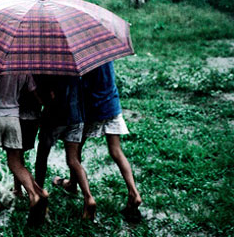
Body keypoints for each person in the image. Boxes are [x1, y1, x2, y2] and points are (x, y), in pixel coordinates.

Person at [54, 61, 143, 222]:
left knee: (75, 150)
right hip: (112, 105)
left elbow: (82, 85)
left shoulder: (84, 58)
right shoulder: (104, 53)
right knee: (116, 152)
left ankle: (75, 185)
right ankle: (134, 192)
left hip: (92, 109)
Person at [0, 67, 48, 226]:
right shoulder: (24, 67)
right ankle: (35, 194)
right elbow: (34, 93)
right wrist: (46, 105)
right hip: (13, 119)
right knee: (15, 162)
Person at [34, 75, 97, 220]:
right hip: (77, 116)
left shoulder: (47, 67)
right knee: (74, 160)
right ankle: (88, 197)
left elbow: (46, 96)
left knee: (42, 155)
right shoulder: (74, 67)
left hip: (54, 118)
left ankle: (38, 192)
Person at [12, 85, 41, 198]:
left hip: (17, 115)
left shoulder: (17, 69)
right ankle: (18, 188)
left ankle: (27, 190)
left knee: (15, 156)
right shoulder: (41, 70)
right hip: (34, 116)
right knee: (19, 154)